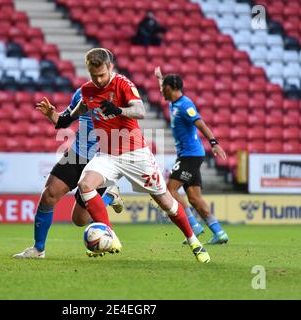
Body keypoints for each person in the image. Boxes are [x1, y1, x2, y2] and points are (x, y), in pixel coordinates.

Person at [70, 48, 210, 263]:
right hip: (107, 154)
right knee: (85, 185)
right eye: (93, 75)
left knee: (165, 201)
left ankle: (194, 241)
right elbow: (78, 110)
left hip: (136, 155)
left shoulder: (123, 84)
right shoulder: (87, 90)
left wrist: (119, 110)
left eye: (102, 75)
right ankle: (110, 235)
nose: (98, 80)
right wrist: (58, 117)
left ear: (111, 68)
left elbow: (140, 110)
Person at [13, 88, 124, 259]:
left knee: (79, 220)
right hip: (76, 155)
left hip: (101, 161)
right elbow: (64, 120)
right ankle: (38, 249)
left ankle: (109, 195)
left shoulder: (119, 93)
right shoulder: (82, 93)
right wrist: (52, 114)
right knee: (49, 194)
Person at [154, 67, 230, 244]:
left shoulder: (185, 105)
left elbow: (201, 124)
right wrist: (160, 78)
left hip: (190, 156)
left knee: (169, 189)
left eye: (162, 87)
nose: (160, 90)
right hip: (190, 155)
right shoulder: (174, 102)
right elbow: (163, 87)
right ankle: (219, 232)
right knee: (195, 198)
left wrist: (214, 143)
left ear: (171, 88)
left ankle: (192, 225)